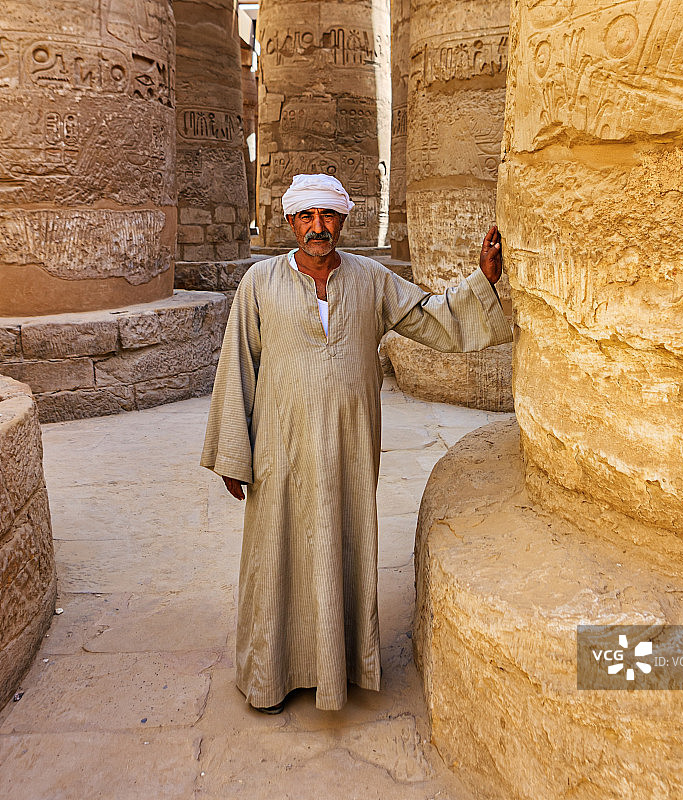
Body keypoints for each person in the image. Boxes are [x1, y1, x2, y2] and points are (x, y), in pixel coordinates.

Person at [201, 173, 512, 713]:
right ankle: (273, 676)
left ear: (343, 220)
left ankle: (339, 669)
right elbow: (238, 372)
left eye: (327, 218)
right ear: (291, 221)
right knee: (278, 555)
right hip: (282, 452)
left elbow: (427, 318)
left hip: (348, 448)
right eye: (306, 218)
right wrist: (235, 453)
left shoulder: (371, 279)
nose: (317, 229)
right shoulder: (258, 283)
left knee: (343, 547)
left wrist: (481, 283)